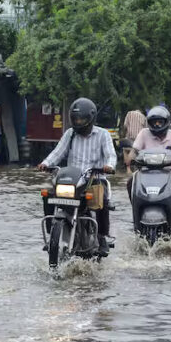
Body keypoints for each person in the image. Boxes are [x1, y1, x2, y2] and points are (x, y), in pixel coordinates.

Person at [38, 98, 117, 256]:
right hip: (71, 179)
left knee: (101, 200)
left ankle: (101, 237)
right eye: (75, 119)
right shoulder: (70, 134)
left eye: (81, 119)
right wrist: (45, 163)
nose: (78, 121)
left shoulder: (102, 135)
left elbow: (111, 155)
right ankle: (51, 232)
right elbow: (58, 152)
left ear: (90, 118)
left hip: (94, 178)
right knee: (48, 195)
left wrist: (109, 166)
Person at [127, 105, 171, 215]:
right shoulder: (143, 133)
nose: (157, 125)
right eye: (154, 122)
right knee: (130, 183)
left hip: (170, 172)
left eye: (160, 122)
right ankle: (137, 211)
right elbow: (134, 150)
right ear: (149, 123)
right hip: (146, 172)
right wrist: (130, 159)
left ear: (166, 122)